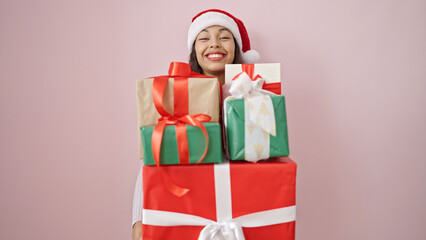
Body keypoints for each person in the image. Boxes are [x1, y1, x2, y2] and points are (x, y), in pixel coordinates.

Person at [131, 9, 259, 240]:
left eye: (224, 37)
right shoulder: (177, 93)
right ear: (194, 49)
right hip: (187, 211)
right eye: (204, 38)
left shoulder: (257, 93)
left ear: (236, 48)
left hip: (241, 214)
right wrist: (139, 218)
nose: (214, 45)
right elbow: (155, 152)